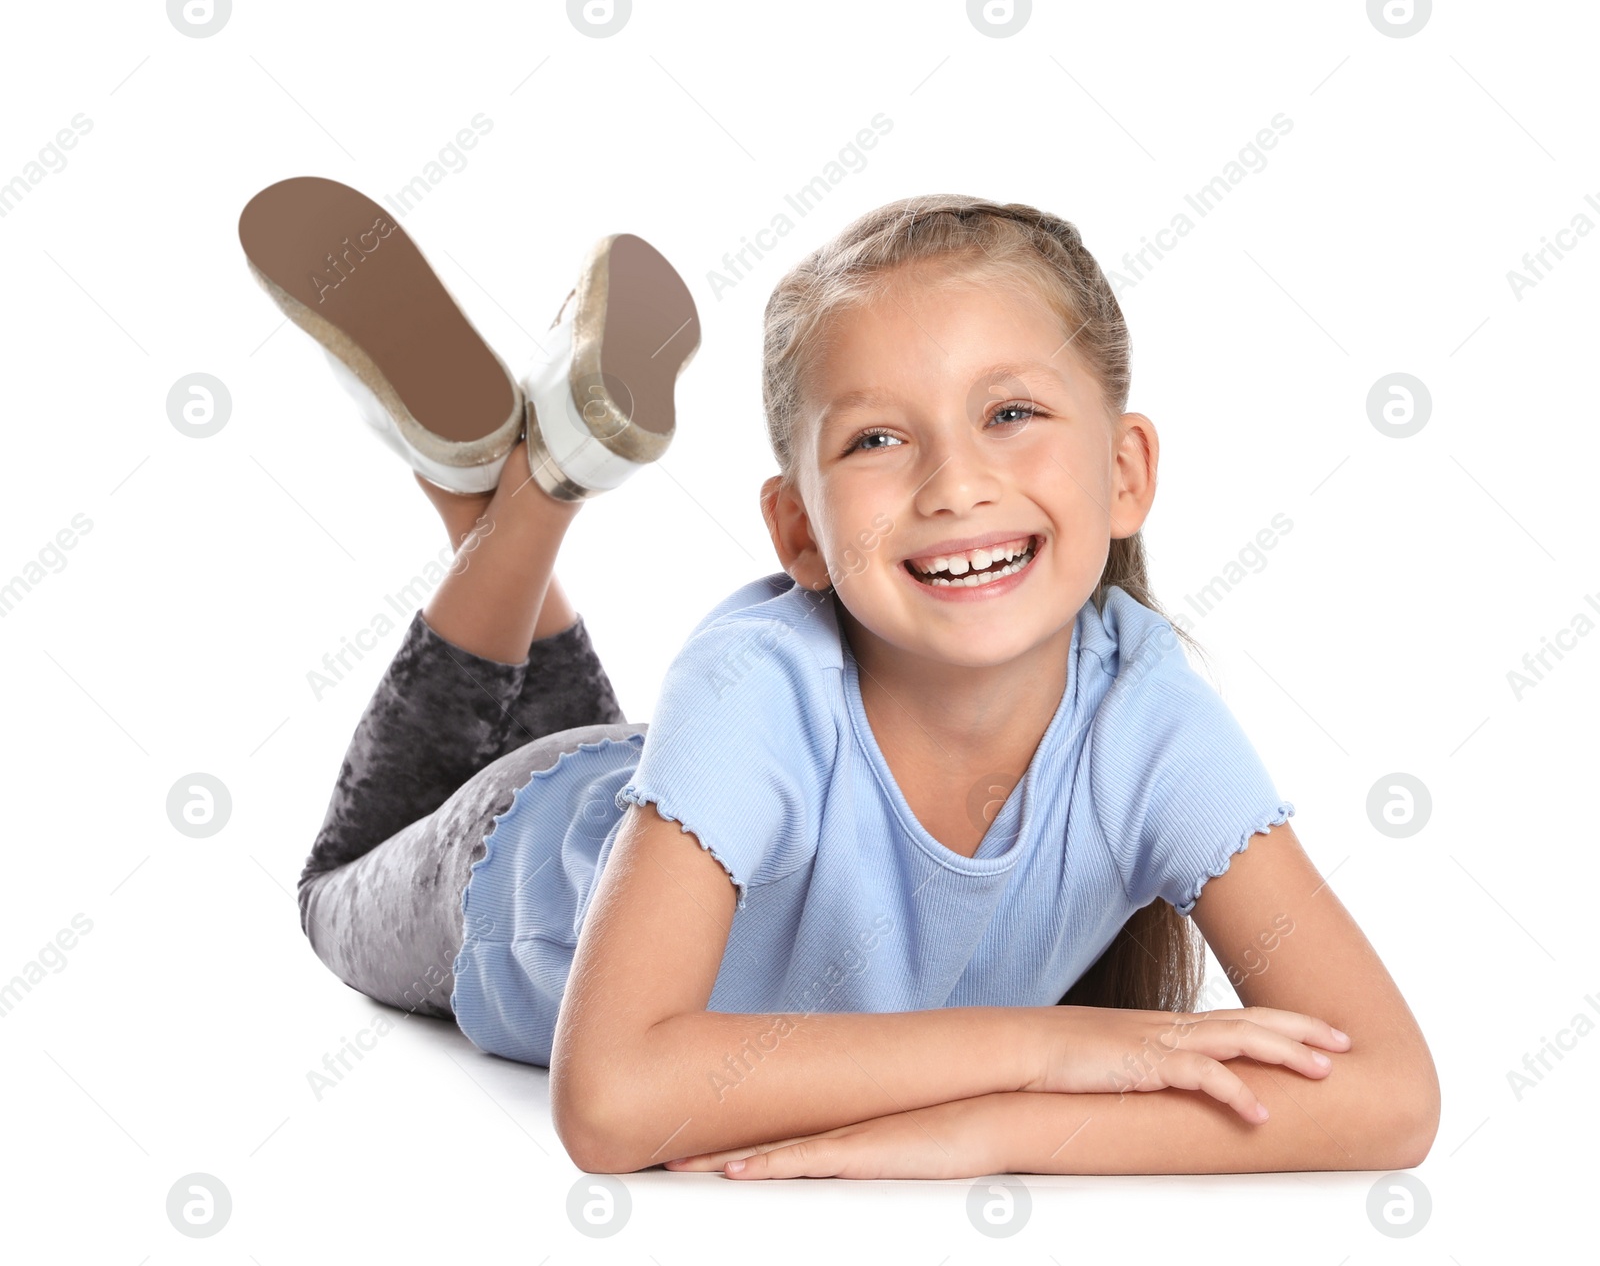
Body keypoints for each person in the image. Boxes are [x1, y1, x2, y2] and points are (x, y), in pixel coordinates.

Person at [239, 184, 1439, 1181]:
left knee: (608, 757)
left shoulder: (1148, 713)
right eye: (877, 439)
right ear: (798, 534)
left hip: (664, 793)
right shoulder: (757, 680)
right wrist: (1050, 1049)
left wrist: (998, 1129)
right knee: (332, 887)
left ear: (1123, 471)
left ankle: (510, 483)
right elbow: (610, 1103)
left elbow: (1388, 1095)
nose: (955, 485)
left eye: (1011, 412)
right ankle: (515, 498)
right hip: (509, 865)